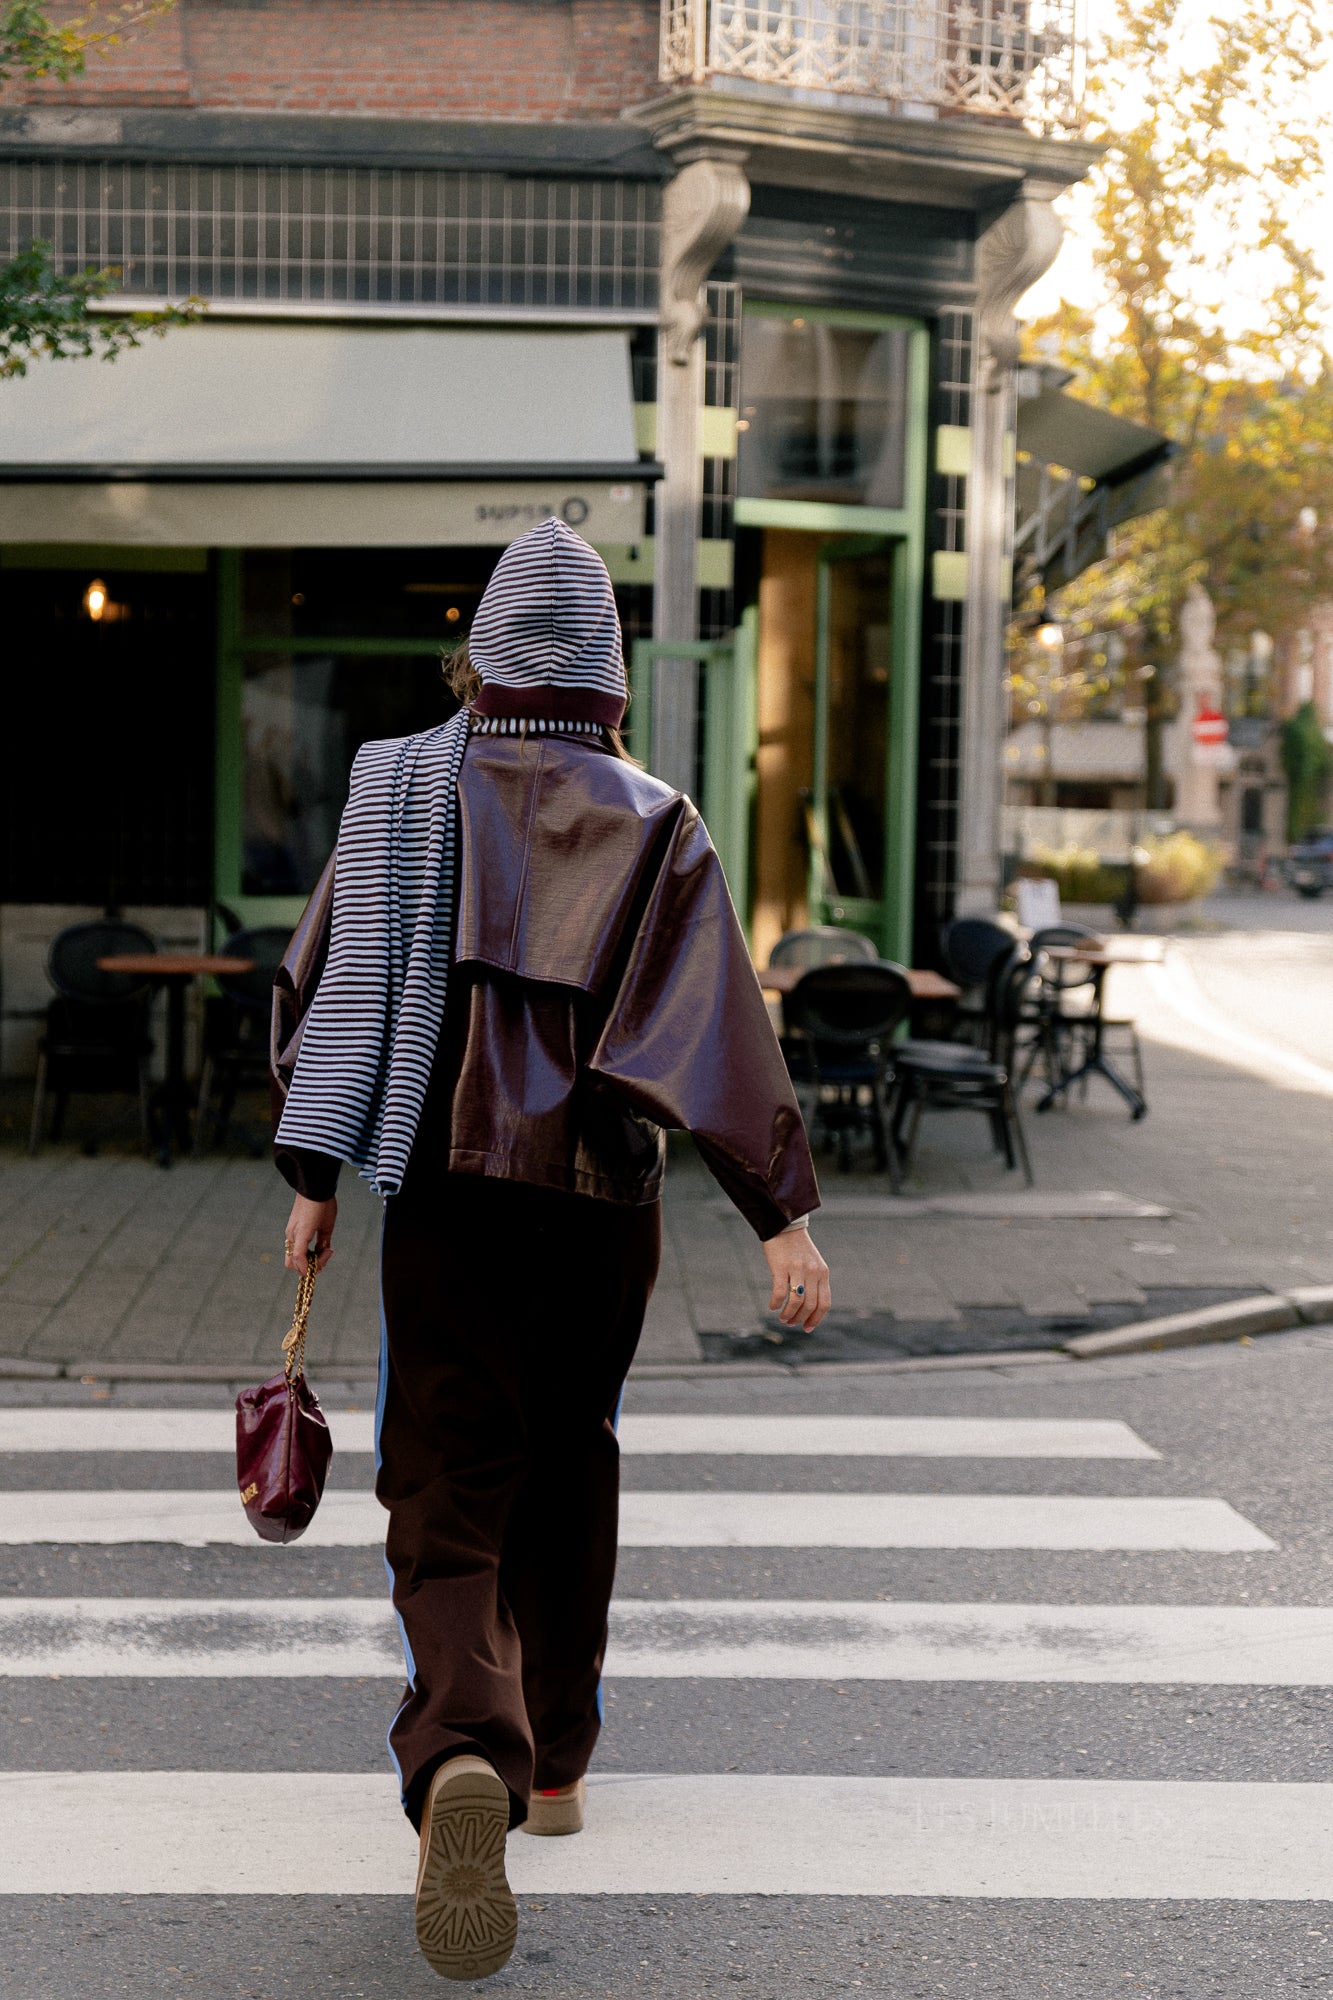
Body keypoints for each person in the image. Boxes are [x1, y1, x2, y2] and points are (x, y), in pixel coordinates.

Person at [271, 517, 828, 1982]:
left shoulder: (398, 784)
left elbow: (324, 981)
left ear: (480, 654)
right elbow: (715, 1035)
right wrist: (783, 1216)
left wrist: (314, 1175)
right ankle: (561, 1765)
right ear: (608, 672)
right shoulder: (657, 818)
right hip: (602, 1200)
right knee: (573, 1454)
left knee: (447, 1469)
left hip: (442, 1189)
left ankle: (463, 1742)